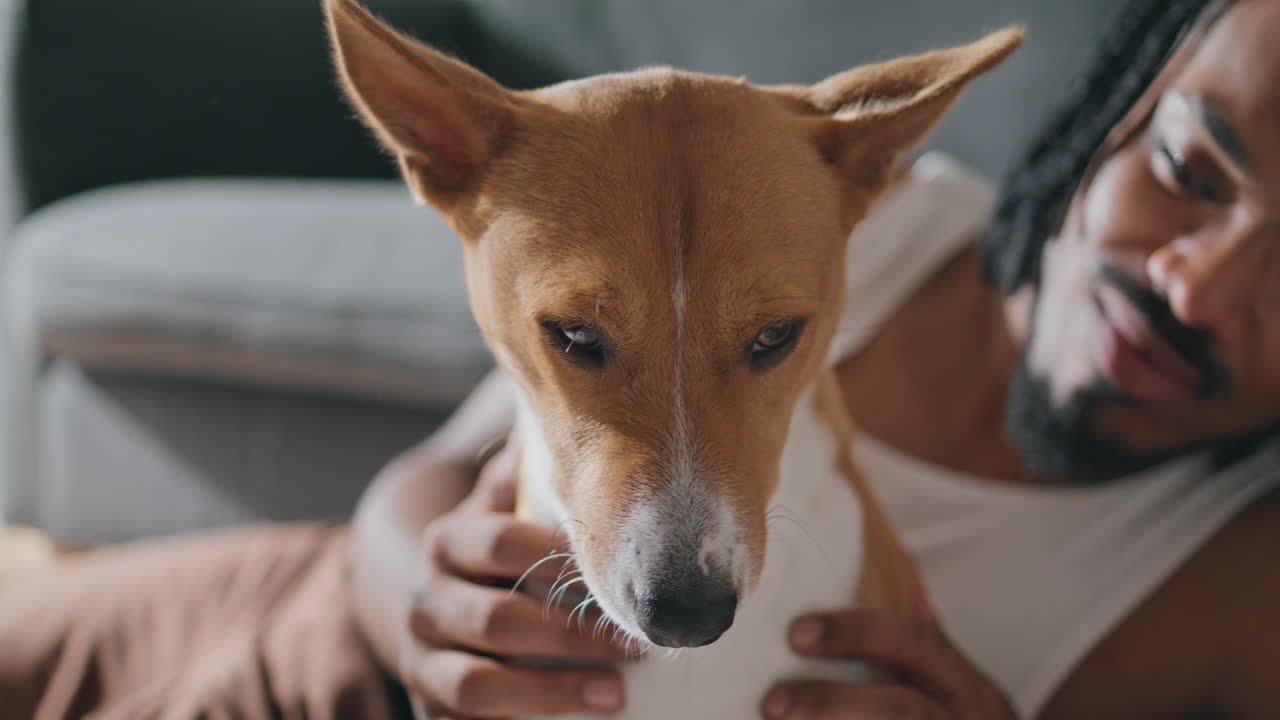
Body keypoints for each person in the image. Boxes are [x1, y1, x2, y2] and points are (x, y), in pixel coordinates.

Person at [1, 0, 1277, 718]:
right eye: (1186, 167)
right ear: (1124, 106)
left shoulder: (1242, 592)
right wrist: (409, 597)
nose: (1195, 283)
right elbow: (439, 470)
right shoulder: (869, 211)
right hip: (316, 609)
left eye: (768, 345)